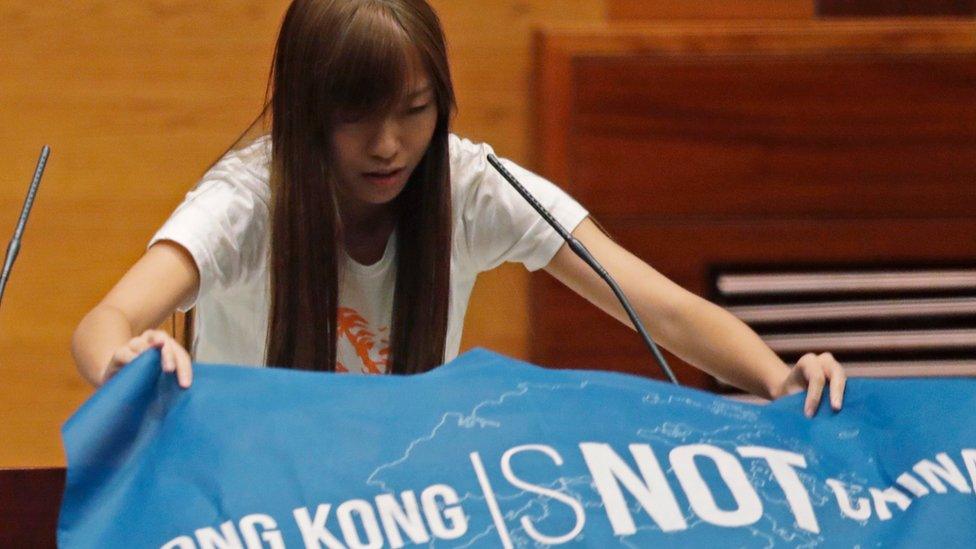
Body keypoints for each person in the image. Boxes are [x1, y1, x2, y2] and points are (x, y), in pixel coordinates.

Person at [71, 0, 846, 417]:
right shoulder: (250, 199)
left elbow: (659, 307)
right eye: (357, 116)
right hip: (246, 505)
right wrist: (123, 359)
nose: (388, 145)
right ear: (309, 110)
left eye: (413, 110)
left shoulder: (473, 184)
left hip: (400, 497)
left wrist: (779, 380)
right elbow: (102, 322)